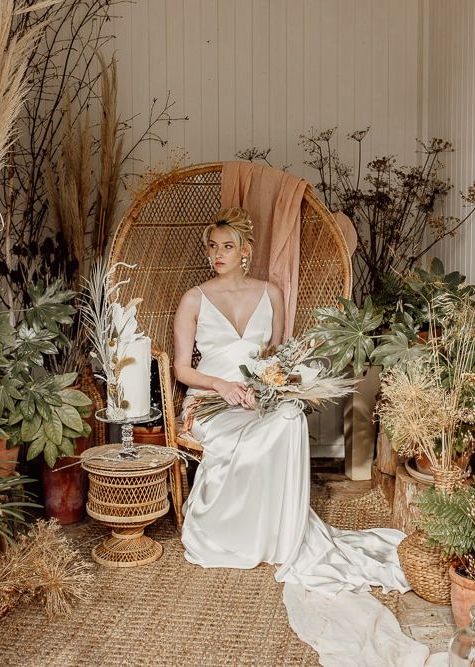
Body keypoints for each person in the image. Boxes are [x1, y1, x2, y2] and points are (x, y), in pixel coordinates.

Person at [173, 207, 447, 667]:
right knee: (246, 436)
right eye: (213, 246)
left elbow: (277, 354)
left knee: (289, 421)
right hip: (210, 402)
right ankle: (231, 532)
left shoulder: (272, 294)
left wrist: (273, 388)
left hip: (260, 397)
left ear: (247, 251)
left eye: (227, 246)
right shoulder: (193, 299)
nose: (218, 254)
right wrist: (222, 386)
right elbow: (182, 368)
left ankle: (279, 536)